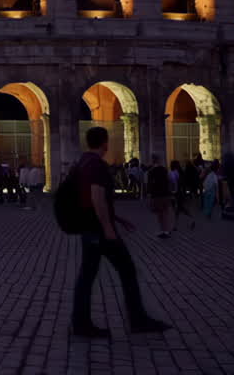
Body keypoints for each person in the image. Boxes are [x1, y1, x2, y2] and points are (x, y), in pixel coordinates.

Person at [70, 126, 171, 338]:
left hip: (88, 227)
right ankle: (137, 319)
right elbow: (97, 197)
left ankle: (80, 323)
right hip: (100, 230)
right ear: (105, 143)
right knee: (127, 270)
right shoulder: (97, 165)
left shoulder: (83, 162)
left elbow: (88, 197)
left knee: (87, 275)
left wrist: (117, 218)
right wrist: (109, 228)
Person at [145, 155, 173, 238]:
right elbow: (170, 181)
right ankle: (166, 230)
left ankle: (162, 230)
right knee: (165, 212)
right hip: (165, 194)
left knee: (159, 214)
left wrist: (149, 194)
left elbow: (149, 184)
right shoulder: (165, 170)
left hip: (156, 195)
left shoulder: (151, 171)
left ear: (153, 161)